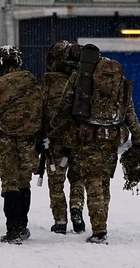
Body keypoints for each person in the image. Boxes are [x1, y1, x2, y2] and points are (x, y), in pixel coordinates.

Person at [52, 43, 140, 244]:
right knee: (104, 181)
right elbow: (129, 111)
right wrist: (137, 139)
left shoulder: (82, 77)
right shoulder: (119, 80)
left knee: (92, 181)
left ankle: (99, 229)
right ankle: (103, 221)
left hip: (88, 136)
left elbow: (65, 104)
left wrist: (55, 127)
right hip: (112, 137)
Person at [0, 44, 43, 244]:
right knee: (23, 182)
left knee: (9, 183)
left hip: (2, 138)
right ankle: (22, 226)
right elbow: (41, 107)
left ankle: (12, 229)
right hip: (28, 139)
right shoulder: (29, 81)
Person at [41, 40, 86, 234]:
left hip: (55, 140)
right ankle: (76, 206)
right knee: (77, 179)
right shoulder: (82, 82)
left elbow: (41, 111)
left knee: (56, 181)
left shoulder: (50, 83)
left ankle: (60, 220)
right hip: (79, 139)